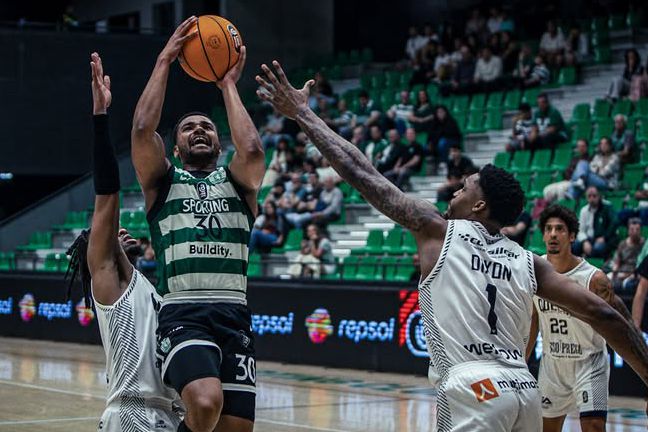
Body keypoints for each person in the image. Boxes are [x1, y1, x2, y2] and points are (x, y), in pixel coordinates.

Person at [256, 60, 648, 431]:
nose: (455, 191)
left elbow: (362, 172)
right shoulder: (529, 260)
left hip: (472, 386)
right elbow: (605, 313)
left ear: (479, 206)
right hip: (523, 389)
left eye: (464, 188)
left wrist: (303, 114)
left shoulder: (437, 230)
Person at [131, 17, 263, 432]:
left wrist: (227, 86)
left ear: (219, 143)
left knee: (234, 428)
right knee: (205, 404)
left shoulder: (239, 183)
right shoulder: (163, 182)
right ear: (176, 147)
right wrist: (164, 61)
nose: (199, 130)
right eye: (188, 128)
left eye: (206, 126)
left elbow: (253, 149)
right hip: (184, 311)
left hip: (235, 314)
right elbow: (142, 130)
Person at [65, 52, 182, 431]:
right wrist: (101, 117)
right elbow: (108, 194)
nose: (122, 230)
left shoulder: (147, 288)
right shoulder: (108, 282)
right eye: (112, 232)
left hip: (168, 414)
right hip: (131, 413)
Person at [526, 204, 635, 432]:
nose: (553, 234)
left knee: (594, 426)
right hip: (552, 364)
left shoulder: (594, 279)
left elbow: (619, 324)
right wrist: (520, 362)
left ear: (572, 236)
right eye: (548, 229)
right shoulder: (534, 272)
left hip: (589, 361)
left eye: (560, 229)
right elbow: (533, 320)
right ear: (543, 235)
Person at [573, 187, 617, 259]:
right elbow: (581, 230)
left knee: (598, 248)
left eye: (594, 196)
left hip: (604, 238)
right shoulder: (584, 210)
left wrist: (604, 237)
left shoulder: (607, 207)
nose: (592, 199)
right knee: (574, 246)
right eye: (589, 196)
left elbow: (613, 225)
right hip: (588, 238)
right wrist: (585, 241)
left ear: (599, 196)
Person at [609, 218, 644, 293]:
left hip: (636, 274)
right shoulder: (622, 244)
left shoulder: (644, 245)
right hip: (621, 271)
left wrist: (630, 275)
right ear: (628, 230)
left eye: (637, 229)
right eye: (632, 229)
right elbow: (617, 262)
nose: (635, 232)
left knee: (630, 285)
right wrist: (615, 271)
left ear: (641, 231)